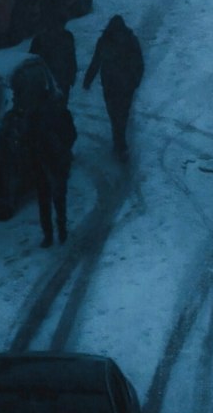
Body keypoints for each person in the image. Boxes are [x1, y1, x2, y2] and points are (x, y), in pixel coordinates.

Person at [83, 14, 144, 159]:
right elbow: (96, 62)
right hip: (115, 86)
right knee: (117, 115)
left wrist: (135, 81)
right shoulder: (127, 41)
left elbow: (138, 63)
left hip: (121, 86)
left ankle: (120, 142)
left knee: (119, 115)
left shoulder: (111, 42)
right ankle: (119, 142)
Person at [29, 89, 77, 247]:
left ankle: (48, 235)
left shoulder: (36, 116)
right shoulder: (63, 115)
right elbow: (72, 135)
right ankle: (61, 231)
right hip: (58, 162)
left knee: (45, 201)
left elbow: (29, 139)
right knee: (58, 198)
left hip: (41, 162)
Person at [29, 18, 77, 102]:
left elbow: (71, 58)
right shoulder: (40, 39)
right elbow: (32, 60)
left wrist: (71, 76)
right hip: (47, 80)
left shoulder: (67, 36)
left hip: (62, 79)